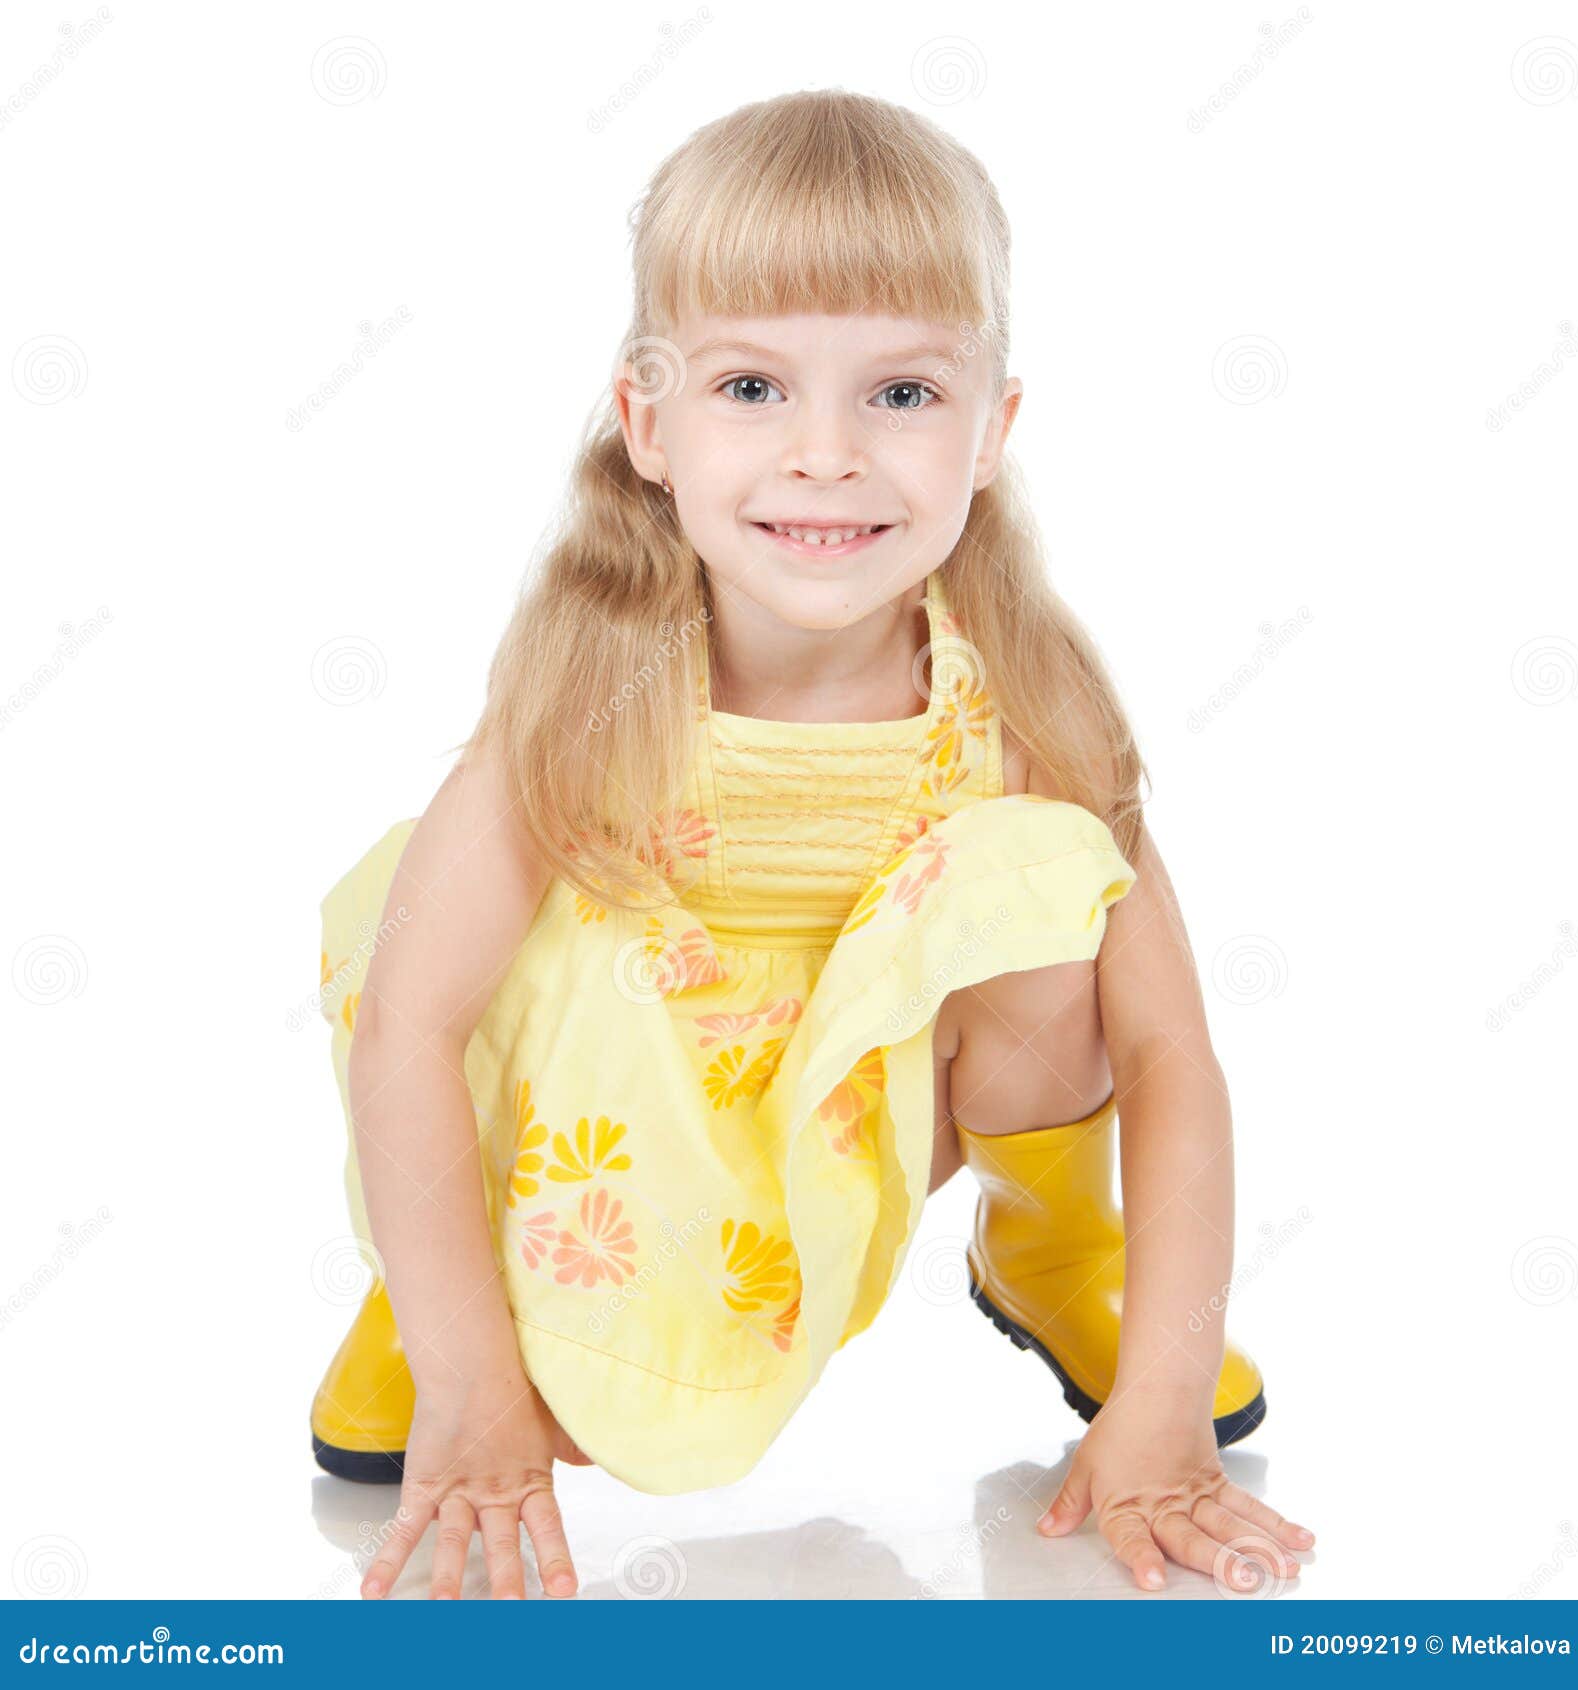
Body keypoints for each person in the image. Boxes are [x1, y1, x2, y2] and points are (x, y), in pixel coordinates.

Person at [310, 87, 1315, 1601]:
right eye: (753, 388)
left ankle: (1051, 1247)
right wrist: (473, 1388)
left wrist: (1166, 1404)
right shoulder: (591, 695)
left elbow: (1170, 1049)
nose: (828, 455)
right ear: (648, 422)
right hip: (621, 1085)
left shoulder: (1019, 700)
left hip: (857, 1099)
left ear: (993, 430)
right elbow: (411, 1024)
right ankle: (437, 1290)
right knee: (467, 977)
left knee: (1040, 878)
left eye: (903, 394)